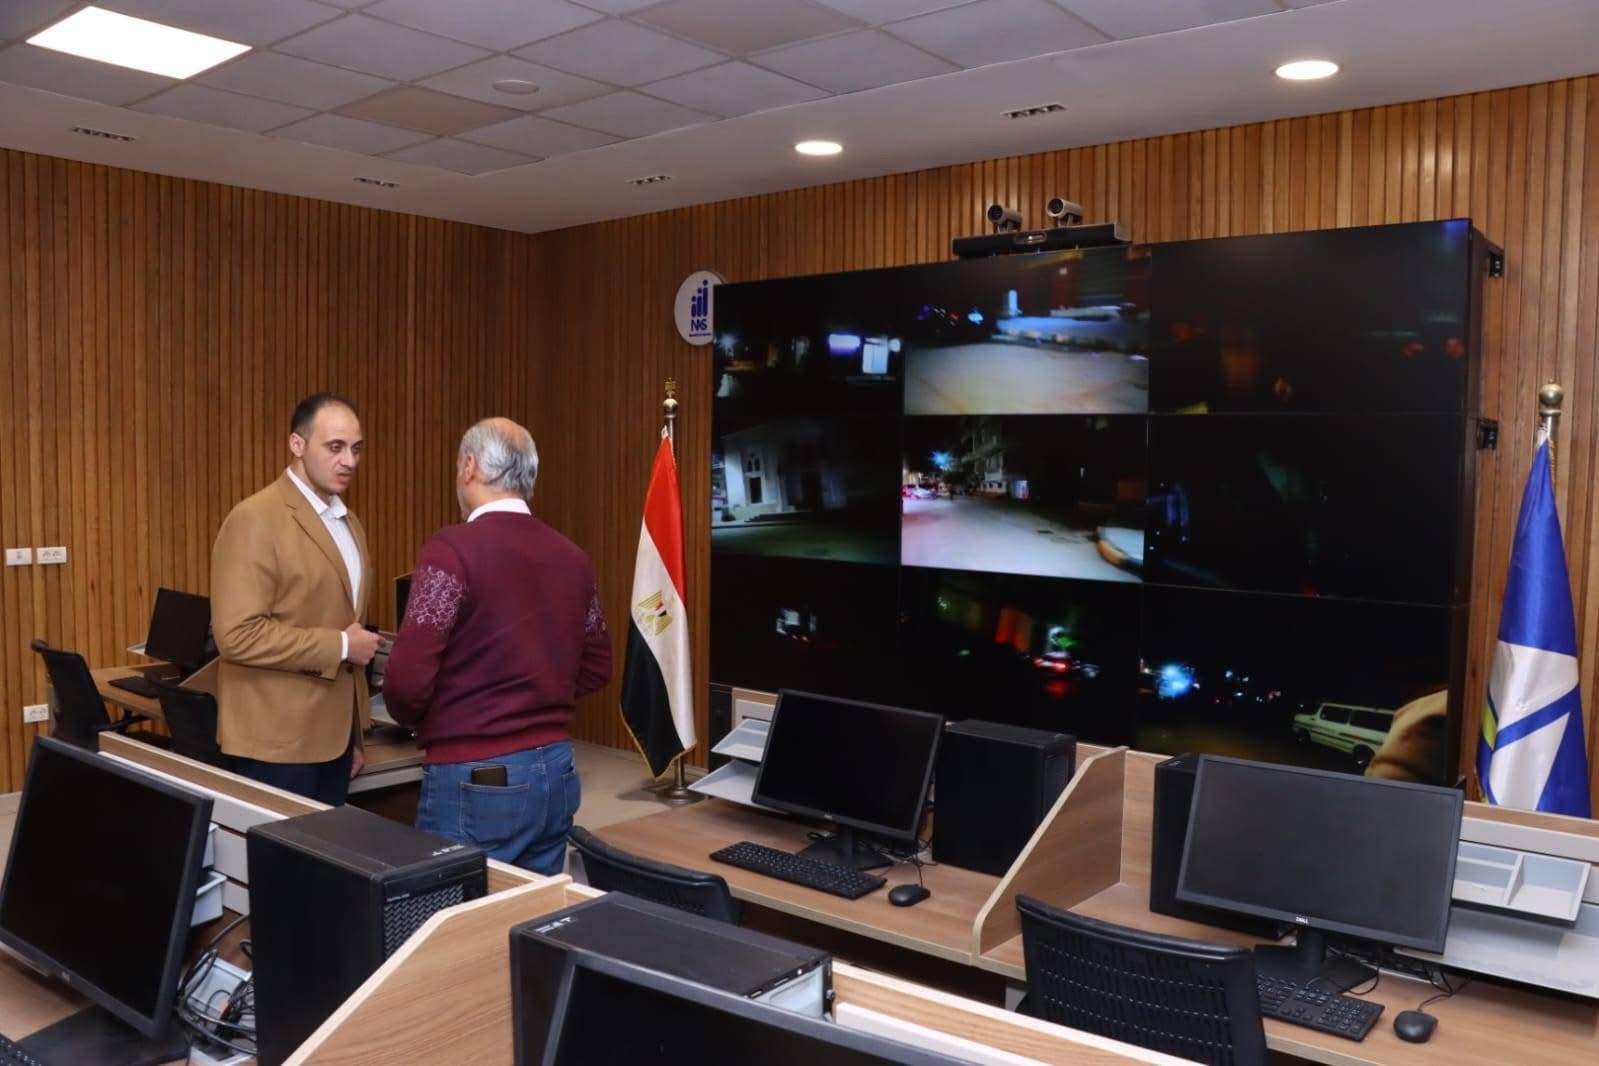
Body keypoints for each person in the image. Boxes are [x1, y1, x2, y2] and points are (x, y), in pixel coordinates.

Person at [384, 417, 611, 874]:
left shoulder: (451, 550)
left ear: (469, 466)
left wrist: (445, 713)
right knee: (532, 913)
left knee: (453, 914)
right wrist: (534, 696)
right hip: (557, 770)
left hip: (474, 775)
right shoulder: (573, 558)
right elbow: (596, 666)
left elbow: (406, 683)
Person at [210, 393, 381, 805]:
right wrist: (341, 646)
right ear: (297, 444)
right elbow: (236, 635)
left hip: (333, 743)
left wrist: (353, 736)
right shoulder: (255, 518)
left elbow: (345, 621)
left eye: (356, 449)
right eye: (335, 447)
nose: (349, 461)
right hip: (276, 745)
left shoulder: (349, 522)